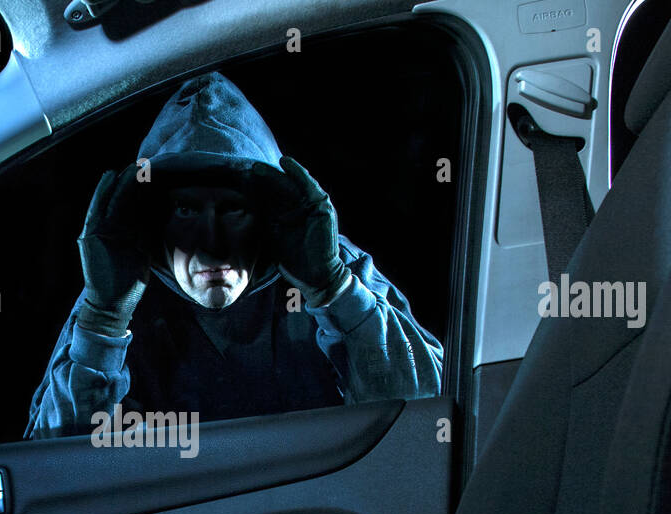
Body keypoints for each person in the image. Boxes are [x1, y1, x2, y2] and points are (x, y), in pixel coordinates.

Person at [25, 71, 443, 440]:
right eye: (186, 210)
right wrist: (105, 319)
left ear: (265, 216)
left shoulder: (329, 266)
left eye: (233, 210)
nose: (212, 242)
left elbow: (427, 412)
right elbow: (51, 463)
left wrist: (331, 289)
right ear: (155, 221)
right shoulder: (117, 290)